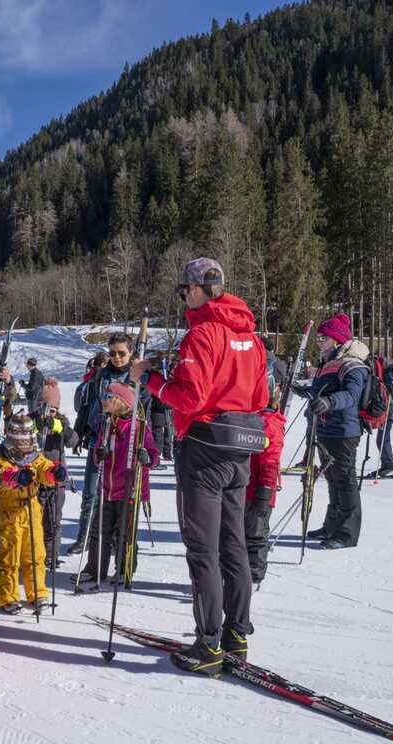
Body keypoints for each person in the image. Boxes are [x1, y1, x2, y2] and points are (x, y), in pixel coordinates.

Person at [130, 257, 268, 675]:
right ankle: (236, 635)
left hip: (205, 446)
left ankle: (208, 644)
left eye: (183, 290)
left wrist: (150, 380)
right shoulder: (251, 336)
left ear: (196, 289)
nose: (183, 297)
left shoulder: (203, 334)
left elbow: (189, 398)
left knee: (203, 549)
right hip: (240, 446)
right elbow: (261, 397)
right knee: (234, 545)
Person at [75, 382, 159, 591]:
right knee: (99, 531)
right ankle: (95, 569)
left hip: (129, 490)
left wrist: (146, 458)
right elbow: (97, 458)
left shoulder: (138, 427)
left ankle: (124, 569)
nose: (103, 400)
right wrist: (99, 454)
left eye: (107, 397)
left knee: (124, 533)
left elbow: (154, 455)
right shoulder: (107, 425)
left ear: (120, 401)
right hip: (107, 489)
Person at [296, 313, 369, 549]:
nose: (319, 342)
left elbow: (351, 395)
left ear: (337, 340)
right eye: (318, 338)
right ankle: (332, 526)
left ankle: (346, 534)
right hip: (325, 428)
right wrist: (304, 391)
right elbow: (322, 391)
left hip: (344, 431)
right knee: (332, 479)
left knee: (345, 480)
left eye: (323, 338)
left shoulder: (353, 364)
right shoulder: (327, 364)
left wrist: (329, 402)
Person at [69, 334, 139, 555]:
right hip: (98, 439)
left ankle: (117, 540)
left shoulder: (138, 376)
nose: (116, 357)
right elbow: (87, 406)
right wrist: (79, 433)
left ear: (131, 352)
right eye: (112, 353)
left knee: (119, 496)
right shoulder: (100, 376)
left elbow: (145, 411)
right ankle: (84, 537)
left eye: (121, 353)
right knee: (90, 493)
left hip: (124, 444)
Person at [0, 415, 65, 613]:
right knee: (9, 556)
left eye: (29, 444)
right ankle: (7, 596)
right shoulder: (3, 458)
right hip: (10, 512)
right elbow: (1, 476)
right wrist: (16, 477)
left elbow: (44, 467)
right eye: (22, 446)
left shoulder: (34, 456)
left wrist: (53, 472)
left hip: (32, 509)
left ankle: (37, 592)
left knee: (35, 553)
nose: (26, 450)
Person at [244, 375, 285, 586]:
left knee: (255, 534)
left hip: (258, 491)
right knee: (239, 533)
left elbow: (271, 461)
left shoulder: (269, 423)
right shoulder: (254, 418)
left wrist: (265, 491)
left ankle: (254, 574)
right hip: (244, 488)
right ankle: (238, 573)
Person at [37, 386, 78, 567]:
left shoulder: (61, 421)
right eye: (44, 407)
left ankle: (51, 555)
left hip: (56, 478)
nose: (48, 412)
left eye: (52, 409)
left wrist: (61, 428)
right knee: (35, 520)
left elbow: (73, 441)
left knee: (54, 520)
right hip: (36, 478)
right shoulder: (32, 419)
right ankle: (35, 554)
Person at [373, 362, 393, 478]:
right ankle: (386, 465)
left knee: (382, 439)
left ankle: (390, 466)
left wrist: (391, 396)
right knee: (382, 439)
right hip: (385, 412)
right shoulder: (387, 377)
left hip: (388, 413)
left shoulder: (390, 379)